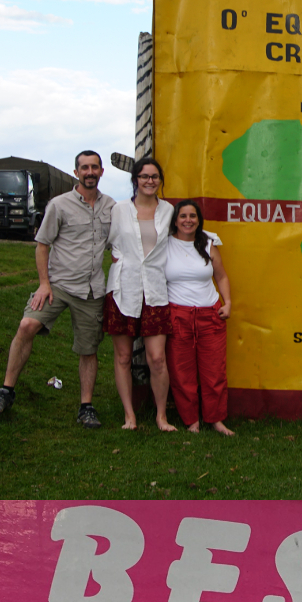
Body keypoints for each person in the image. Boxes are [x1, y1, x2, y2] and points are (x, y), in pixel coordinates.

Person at [0, 150, 113, 428]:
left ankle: (86, 407)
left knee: (88, 349)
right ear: (76, 172)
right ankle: (5, 391)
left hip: (91, 291)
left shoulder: (111, 207)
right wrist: (44, 284)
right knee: (27, 325)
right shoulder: (59, 205)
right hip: (58, 285)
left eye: (94, 167)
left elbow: (118, 246)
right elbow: (42, 246)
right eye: (84, 168)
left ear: (102, 172)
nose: (90, 172)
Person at [105, 157, 176, 432]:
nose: (150, 181)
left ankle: (161, 416)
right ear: (135, 179)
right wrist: (115, 256)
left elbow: (186, 233)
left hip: (156, 290)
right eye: (144, 176)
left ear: (160, 180)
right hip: (123, 288)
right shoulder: (119, 209)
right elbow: (103, 238)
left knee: (157, 357)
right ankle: (129, 415)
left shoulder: (168, 211)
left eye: (155, 176)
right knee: (123, 356)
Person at [165, 200, 234, 436]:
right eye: (182, 216)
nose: (188, 220)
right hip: (178, 315)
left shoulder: (208, 243)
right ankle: (191, 420)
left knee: (214, 372)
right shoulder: (165, 244)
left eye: (192, 216)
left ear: (198, 219)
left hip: (210, 315)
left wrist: (228, 303)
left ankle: (216, 420)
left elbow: (221, 277)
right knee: (182, 372)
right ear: (175, 220)